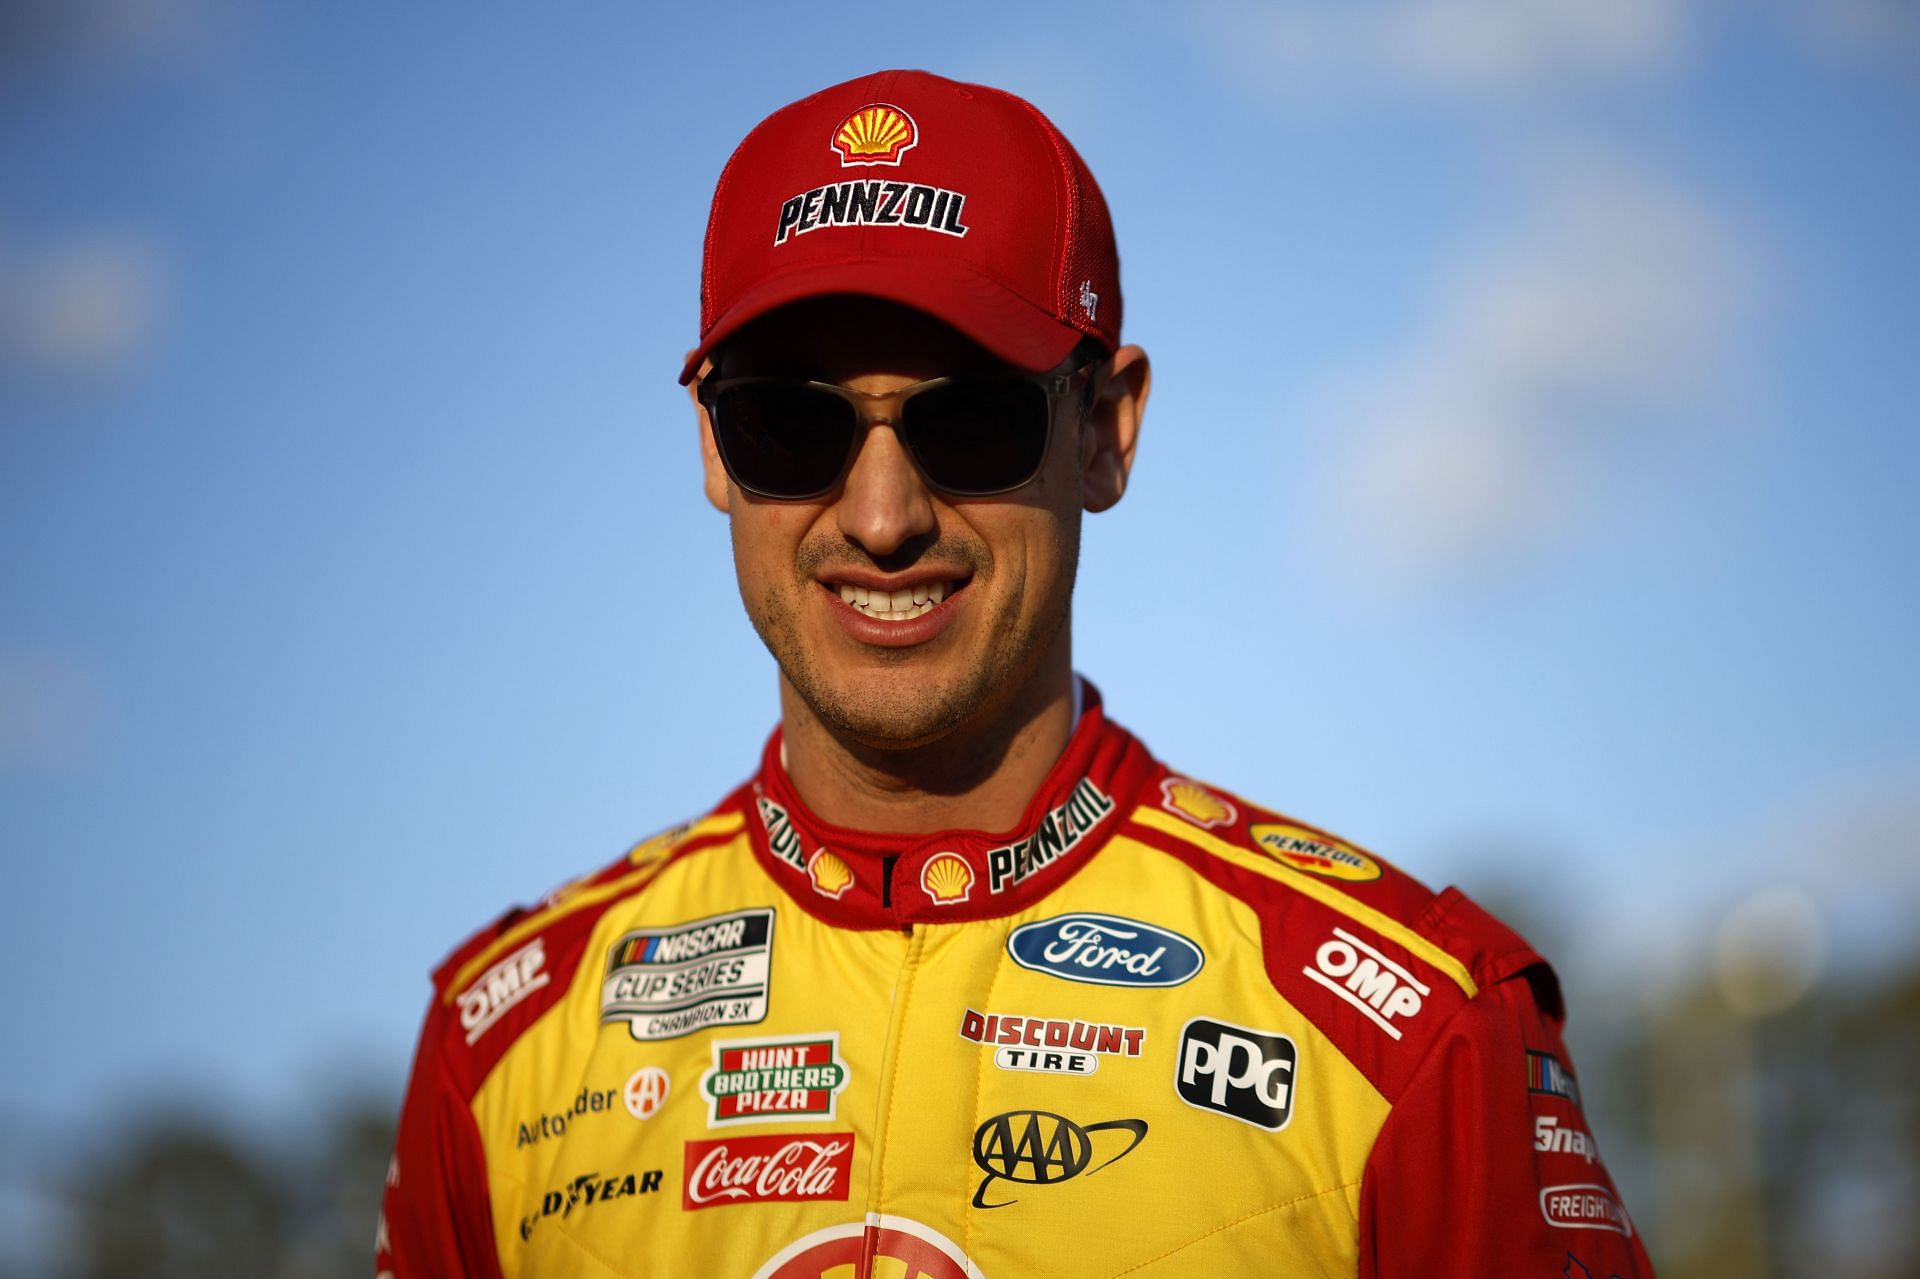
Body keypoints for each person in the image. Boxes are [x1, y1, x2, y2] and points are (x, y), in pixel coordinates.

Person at [376, 69, 1653, 1279]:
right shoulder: (498, 1058)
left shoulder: (1421, 1039)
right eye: (790, 420)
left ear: (1106, 431)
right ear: (711, 446)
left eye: (970, 414)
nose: (881, 516)